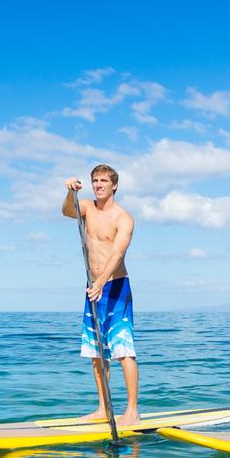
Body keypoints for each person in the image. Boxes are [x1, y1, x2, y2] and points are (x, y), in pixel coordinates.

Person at [62, 164, 140, 426]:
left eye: (104, 181)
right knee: (97, 351)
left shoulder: (123, 218)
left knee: (123, 349)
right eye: (95, 180)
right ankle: (103, 408)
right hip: (92, 288)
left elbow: (118, 253)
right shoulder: (86, 207)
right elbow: (67, 211)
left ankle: (131, 410)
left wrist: (102, 282)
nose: (98, 185)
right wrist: (69, 192)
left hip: (115, 287)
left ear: (114, 185)